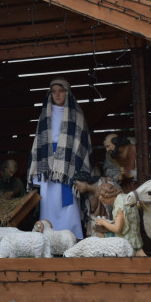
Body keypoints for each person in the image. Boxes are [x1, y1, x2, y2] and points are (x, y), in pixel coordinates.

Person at [27, 76, 91, 239]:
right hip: (48, 164)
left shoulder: (77, 115)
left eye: (61, 91)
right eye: (54, 91)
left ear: (67, 93)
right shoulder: (44, 115)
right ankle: (49, 236)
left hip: (68, 163)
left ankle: (71, 235)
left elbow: (81, 143)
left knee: (69, 201)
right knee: (48, 200)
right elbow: (39, 141)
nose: (57, 95)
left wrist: (68, 161)